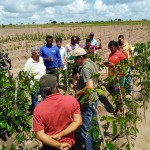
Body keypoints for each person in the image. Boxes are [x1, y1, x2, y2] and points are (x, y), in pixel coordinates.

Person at [33, 74, 82, 150]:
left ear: (42, 90)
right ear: (56, 85)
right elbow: (78, 122)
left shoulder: (38, 109)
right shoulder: (71, 100)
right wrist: (60, 134)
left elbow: (40, 135)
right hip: (69, 144)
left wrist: (58, 145)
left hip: (50, 145)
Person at [69, 47, 99, 150]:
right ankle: (96, 145)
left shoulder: (85, 68)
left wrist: (78, 92)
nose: (74, 61)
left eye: (75, 59)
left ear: (81, 57)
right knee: (94, 125)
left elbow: (89, 87)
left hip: (87, 101)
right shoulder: (92, 63)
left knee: (86, 129)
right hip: (94, 98)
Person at [104, 41, 126, 114]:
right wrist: (107, 64)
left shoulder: (120, 54)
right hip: (112, 76)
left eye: (112, 48)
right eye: (109, 48)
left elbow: (124, 65)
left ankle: (120, 108)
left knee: (118, 92)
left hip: (118, 76)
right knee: (114, 92)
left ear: (116, 47)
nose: (110, 49)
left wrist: (114, 66)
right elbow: (110, 62)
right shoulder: (111, 54)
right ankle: (118, 106)